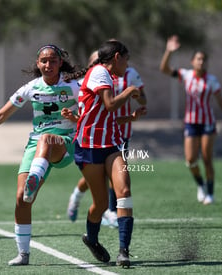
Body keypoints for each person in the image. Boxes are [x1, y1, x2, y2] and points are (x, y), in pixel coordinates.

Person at [0, 44, 79, 266]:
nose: (48, 65)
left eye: (53, 60)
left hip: (64, 143)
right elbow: (2, 115)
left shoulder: (73, 86)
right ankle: (23, 254)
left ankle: (35, 174)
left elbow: (92, 116)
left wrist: (75, 118)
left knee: (46, 139)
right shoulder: (31, 88)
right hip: (36, 146)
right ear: (38, 63)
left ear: (60, 63)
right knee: (22, 198)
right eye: (44, 61)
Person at [64, 40, 140, 268]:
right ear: (117, 57)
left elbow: (104, 115)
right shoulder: (100, 73)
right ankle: (92, 239)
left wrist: (131, 118)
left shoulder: (107, 76)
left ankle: (123, 252)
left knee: (124, 191)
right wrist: (129, 91)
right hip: (88, 146)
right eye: (126, 59)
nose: (127, 64)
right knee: (98, 203)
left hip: (112, 144)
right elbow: (109, 105)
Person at [160, 35, 222, 205]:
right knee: (190, 160)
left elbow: (221, 101)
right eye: (198, 59)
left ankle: (210, 194)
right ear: (192, 61)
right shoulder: (186, 75)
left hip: (208, 122)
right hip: (190, 122)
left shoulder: (211, 80)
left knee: (207, 158)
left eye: (204, 59)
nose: (201, 62)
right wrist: (168, 51)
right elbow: (164, 69)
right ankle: (200, 185)